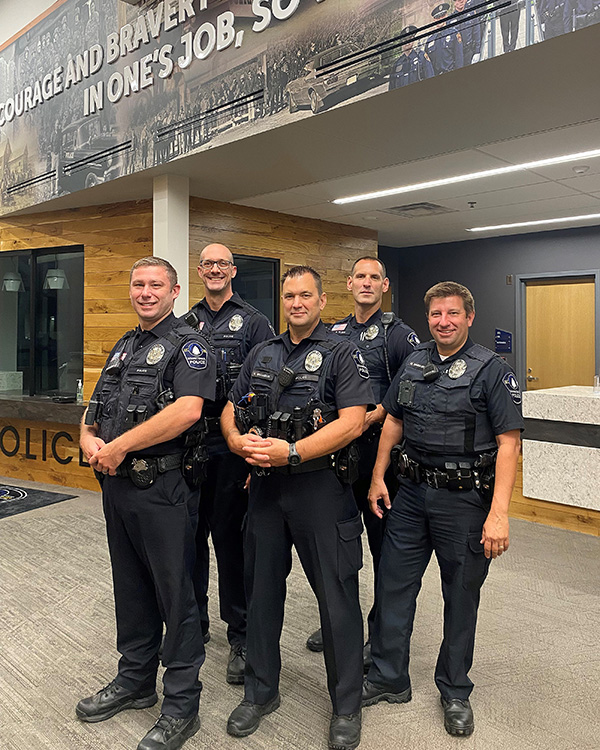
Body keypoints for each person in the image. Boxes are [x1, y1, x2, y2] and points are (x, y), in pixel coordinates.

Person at [221, 266, 375, 750]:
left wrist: (293, 451)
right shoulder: (262, 352)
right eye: (289, 295)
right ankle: (260, 692)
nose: (296, 303)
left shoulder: (342, 353)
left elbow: (352, 422)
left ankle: (346, 704)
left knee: (336, 598)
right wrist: (235, 440)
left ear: (322, 300)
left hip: (320, 489)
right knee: (261, 593)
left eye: (305, 295)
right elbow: (231, 406)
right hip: (266, 488)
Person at [362, 281, 523, 737]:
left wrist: (499, 513)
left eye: (453, 314)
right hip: (410, 495)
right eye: (436, 315)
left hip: (466, 501)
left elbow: (509, 444)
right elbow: (393, 419)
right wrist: (377, 476)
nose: (444, 322)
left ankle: (454, 689)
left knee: (460, 595)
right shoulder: (413, 362)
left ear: (469, 317)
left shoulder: (491, 370)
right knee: (393, 585)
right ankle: (389, 676)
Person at [77, 257, 216, 750]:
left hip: (164, 488)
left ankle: (182, 703)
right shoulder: (124, 344)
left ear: (175, 291)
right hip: (117, 487)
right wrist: (90, 439)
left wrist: (120, 447)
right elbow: (94, 409)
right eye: (138, 284)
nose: (145, 292)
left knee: (175, 595)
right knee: (130, 587)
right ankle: (135, 680)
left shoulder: (191, 344)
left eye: (156, 284)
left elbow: (188, 410)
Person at [305, 257, 419, 671]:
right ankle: (342, 622)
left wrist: (374, 414)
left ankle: (381, 634)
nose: (367, 284)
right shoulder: (335, 332)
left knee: (384, 551)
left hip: (379, 459)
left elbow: (411, 389)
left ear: (384, 285)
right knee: (338, 547)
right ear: (349, 283)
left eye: (375, 278)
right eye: (361, 277)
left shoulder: (399, 335)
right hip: (337, 458)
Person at [186, 243, 274, 684]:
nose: (215, 269)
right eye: (208, 264)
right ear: (199, 271)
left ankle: (239, 635)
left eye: (223, 263)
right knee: (189, 537)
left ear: (233, 271)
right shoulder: (185, 323)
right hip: (187, 446)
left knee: (231, 543)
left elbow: (266, 387)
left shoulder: (256, 322)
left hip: (231, 449)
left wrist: (251, 456)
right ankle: (194, 623)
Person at [388, 25, 434, 89]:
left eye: (409, 39)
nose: (407, 42)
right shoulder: (397, 64)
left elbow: (431, 79)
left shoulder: (421, 57)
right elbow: (391, 88)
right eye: (404, 40)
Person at [426, 3, 464, 75]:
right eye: (437, 17)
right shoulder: (429, 41)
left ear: (446, 16)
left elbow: (459, 58)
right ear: (434, 20)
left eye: (442, 16)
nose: (440, 19)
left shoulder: (454, 34)